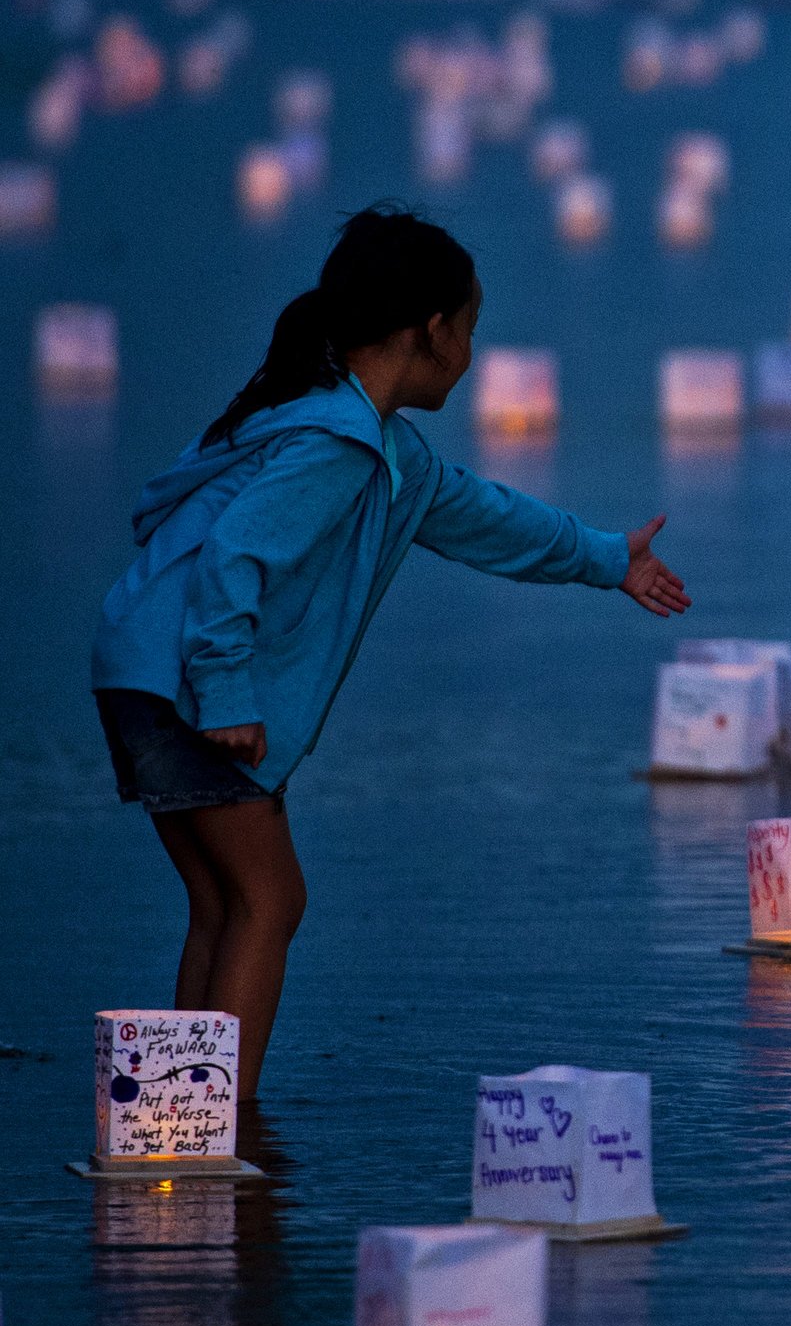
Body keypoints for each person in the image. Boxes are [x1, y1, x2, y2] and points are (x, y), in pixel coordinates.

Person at [91, 204, 691, 1099]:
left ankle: (185, 1116)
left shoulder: (372, 445)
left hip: (140, 669)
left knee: (226, 902)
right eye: (473, 329)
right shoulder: (336, 444)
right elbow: (233, 557)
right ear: (432, 330)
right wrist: (225, 695)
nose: (475, 353)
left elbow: (486, 517)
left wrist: (610, 559)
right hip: (189, 680)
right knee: (271, 899)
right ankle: (225, 1119)